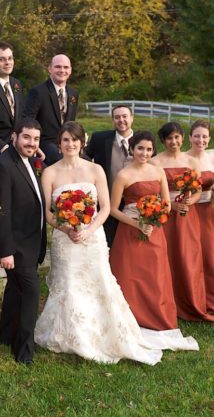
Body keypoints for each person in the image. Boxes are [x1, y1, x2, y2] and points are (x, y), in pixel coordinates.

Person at [109, 131, 199, 350]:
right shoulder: (123, 175)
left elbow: (167, 203)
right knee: (129, 276)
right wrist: (137, 224)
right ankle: (130, 318)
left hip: (156, 231)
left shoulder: (157, 171)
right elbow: (112, 209)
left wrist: (155, 217)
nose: (144, 153)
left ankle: (157, 317)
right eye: (140, 148)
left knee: (155, 275)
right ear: (132, 149)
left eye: (149, 149)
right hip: (130, 230)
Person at [0, 118, 46, 364]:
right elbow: (1, 212)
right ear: (14, 137)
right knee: (31, 294)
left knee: (16, 291)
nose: (31, 143)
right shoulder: (2, 165)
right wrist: (6, 251)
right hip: (16, 248)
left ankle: (6, 337)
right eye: (27, 137)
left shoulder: (29, 162)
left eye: (36, 139)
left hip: (30, 244)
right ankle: (24, 353)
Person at [152, 122, 213, 322]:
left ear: (182, 138)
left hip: (188, 216)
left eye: (177, 137)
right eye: (169, 138)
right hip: (165, 216)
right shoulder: (156, 162)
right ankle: (169, 302)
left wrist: (189, 201)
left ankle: (190, 300)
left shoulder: (190, 160)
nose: (174, 141)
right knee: (167, 257)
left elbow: (197, 190)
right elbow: (152, 193)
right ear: (163, 140)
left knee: (188, 257)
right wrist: (171, 205)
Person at [85, 105, 134, 247]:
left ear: (132, 118)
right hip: (107, 202)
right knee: (108, 243)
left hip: (134, 203)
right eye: (117, 117)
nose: (121, 120)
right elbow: (85, 159)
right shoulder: (100, 138)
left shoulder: (143, 140)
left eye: (125, 116)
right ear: (113, 120)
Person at [24, 54, 78, 166]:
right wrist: (34, 145)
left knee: (86, 160)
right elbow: (28, 121)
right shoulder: (38, 92)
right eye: (58, 67)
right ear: (50, 69)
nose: (62, 70)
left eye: (66, 67)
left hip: (67, 142)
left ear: (70, 70)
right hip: (45, 143)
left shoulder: (73, 94)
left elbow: (71, 123)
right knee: (63, 161)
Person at [187, 120, 214, 312]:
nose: (200, 140)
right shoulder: (183, 158)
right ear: (190, 137)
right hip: (190, 211)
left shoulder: (212, 158)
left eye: (204, 136)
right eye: (197, 135)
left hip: (209, 211)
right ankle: (193, 296)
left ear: (209, 139)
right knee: (192, 254)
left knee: (209, 254)